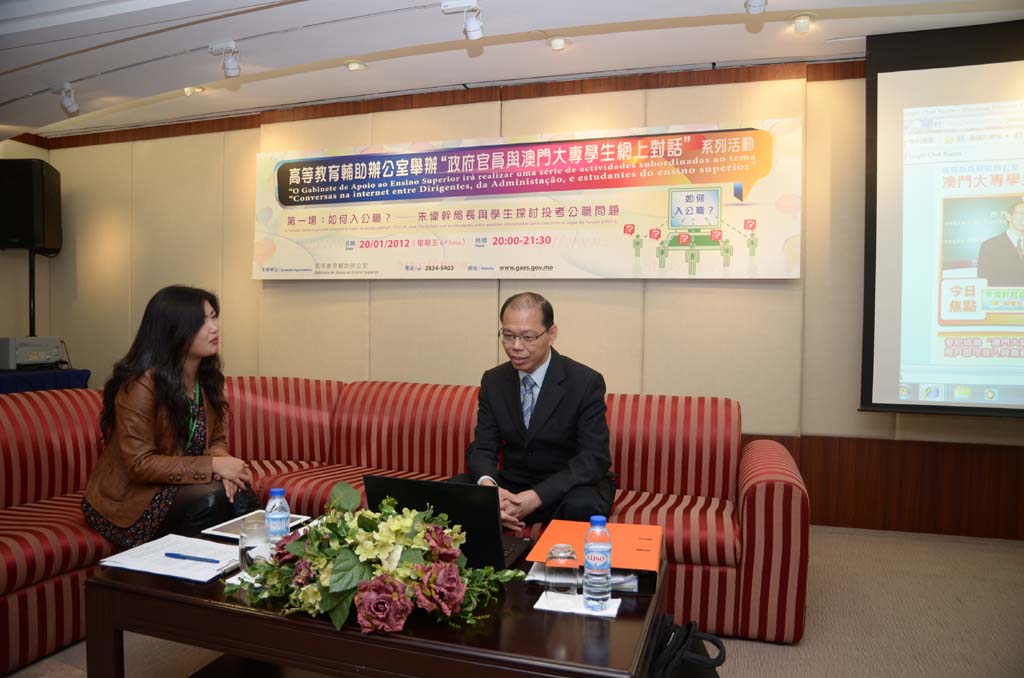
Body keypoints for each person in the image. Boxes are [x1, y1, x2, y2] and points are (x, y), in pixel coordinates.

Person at [82, 285, 256, 549]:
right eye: (202, 322)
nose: (214, 328)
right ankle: (190, 571)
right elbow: (139, 464)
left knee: (240, 492)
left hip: (183, 483)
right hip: (131, 499)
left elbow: (216, 439)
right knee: (212, 498)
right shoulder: (141, 384)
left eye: (214, 317)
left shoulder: (207, 378)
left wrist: (224, 468)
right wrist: (212, 466)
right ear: (173, 330)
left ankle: (247, 570)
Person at [453, 292, 614, 531]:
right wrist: (490, 491)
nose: (516, 347)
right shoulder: (494, 380)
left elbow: (593, 458)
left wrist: (536, 496)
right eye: (508, 336)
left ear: (552, 334)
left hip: (565, 486)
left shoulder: (585, 382)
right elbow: (483, 446)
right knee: (454, 489)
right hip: (513, 485)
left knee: (583, 505)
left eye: (527, 337)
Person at [977, 200, 1024, 287]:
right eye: (1021, 213)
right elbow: (984, 281)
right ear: (1009, 217)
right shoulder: (989, 246)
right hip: (1003, 295)